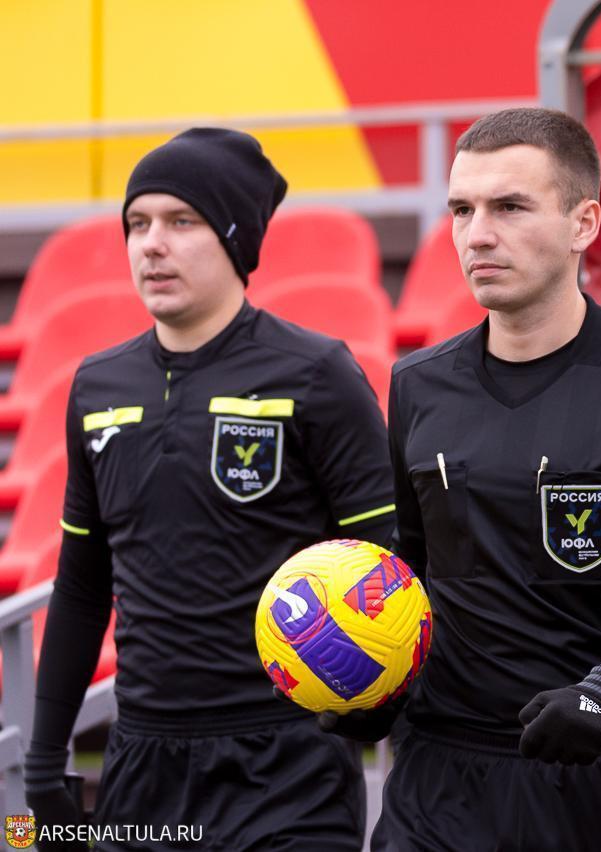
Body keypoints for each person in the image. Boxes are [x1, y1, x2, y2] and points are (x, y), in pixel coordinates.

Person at [358, 108, 601, 852]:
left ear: (583, 223)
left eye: (509, 207)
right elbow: (411, 570)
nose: (477, 234)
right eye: (462, 210)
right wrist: (371, 679)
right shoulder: (417, 384)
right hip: (441, 785)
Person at [23, 128, 396, 851]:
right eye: (137, 224)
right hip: (141, 766)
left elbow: (390, 565)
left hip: (287, 767)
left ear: (234, 240)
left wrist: (371, 706)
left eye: (181, 221)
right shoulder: (96, 386)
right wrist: (43, 761)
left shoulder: (317, 374)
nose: (151, 245)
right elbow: (81, 588)